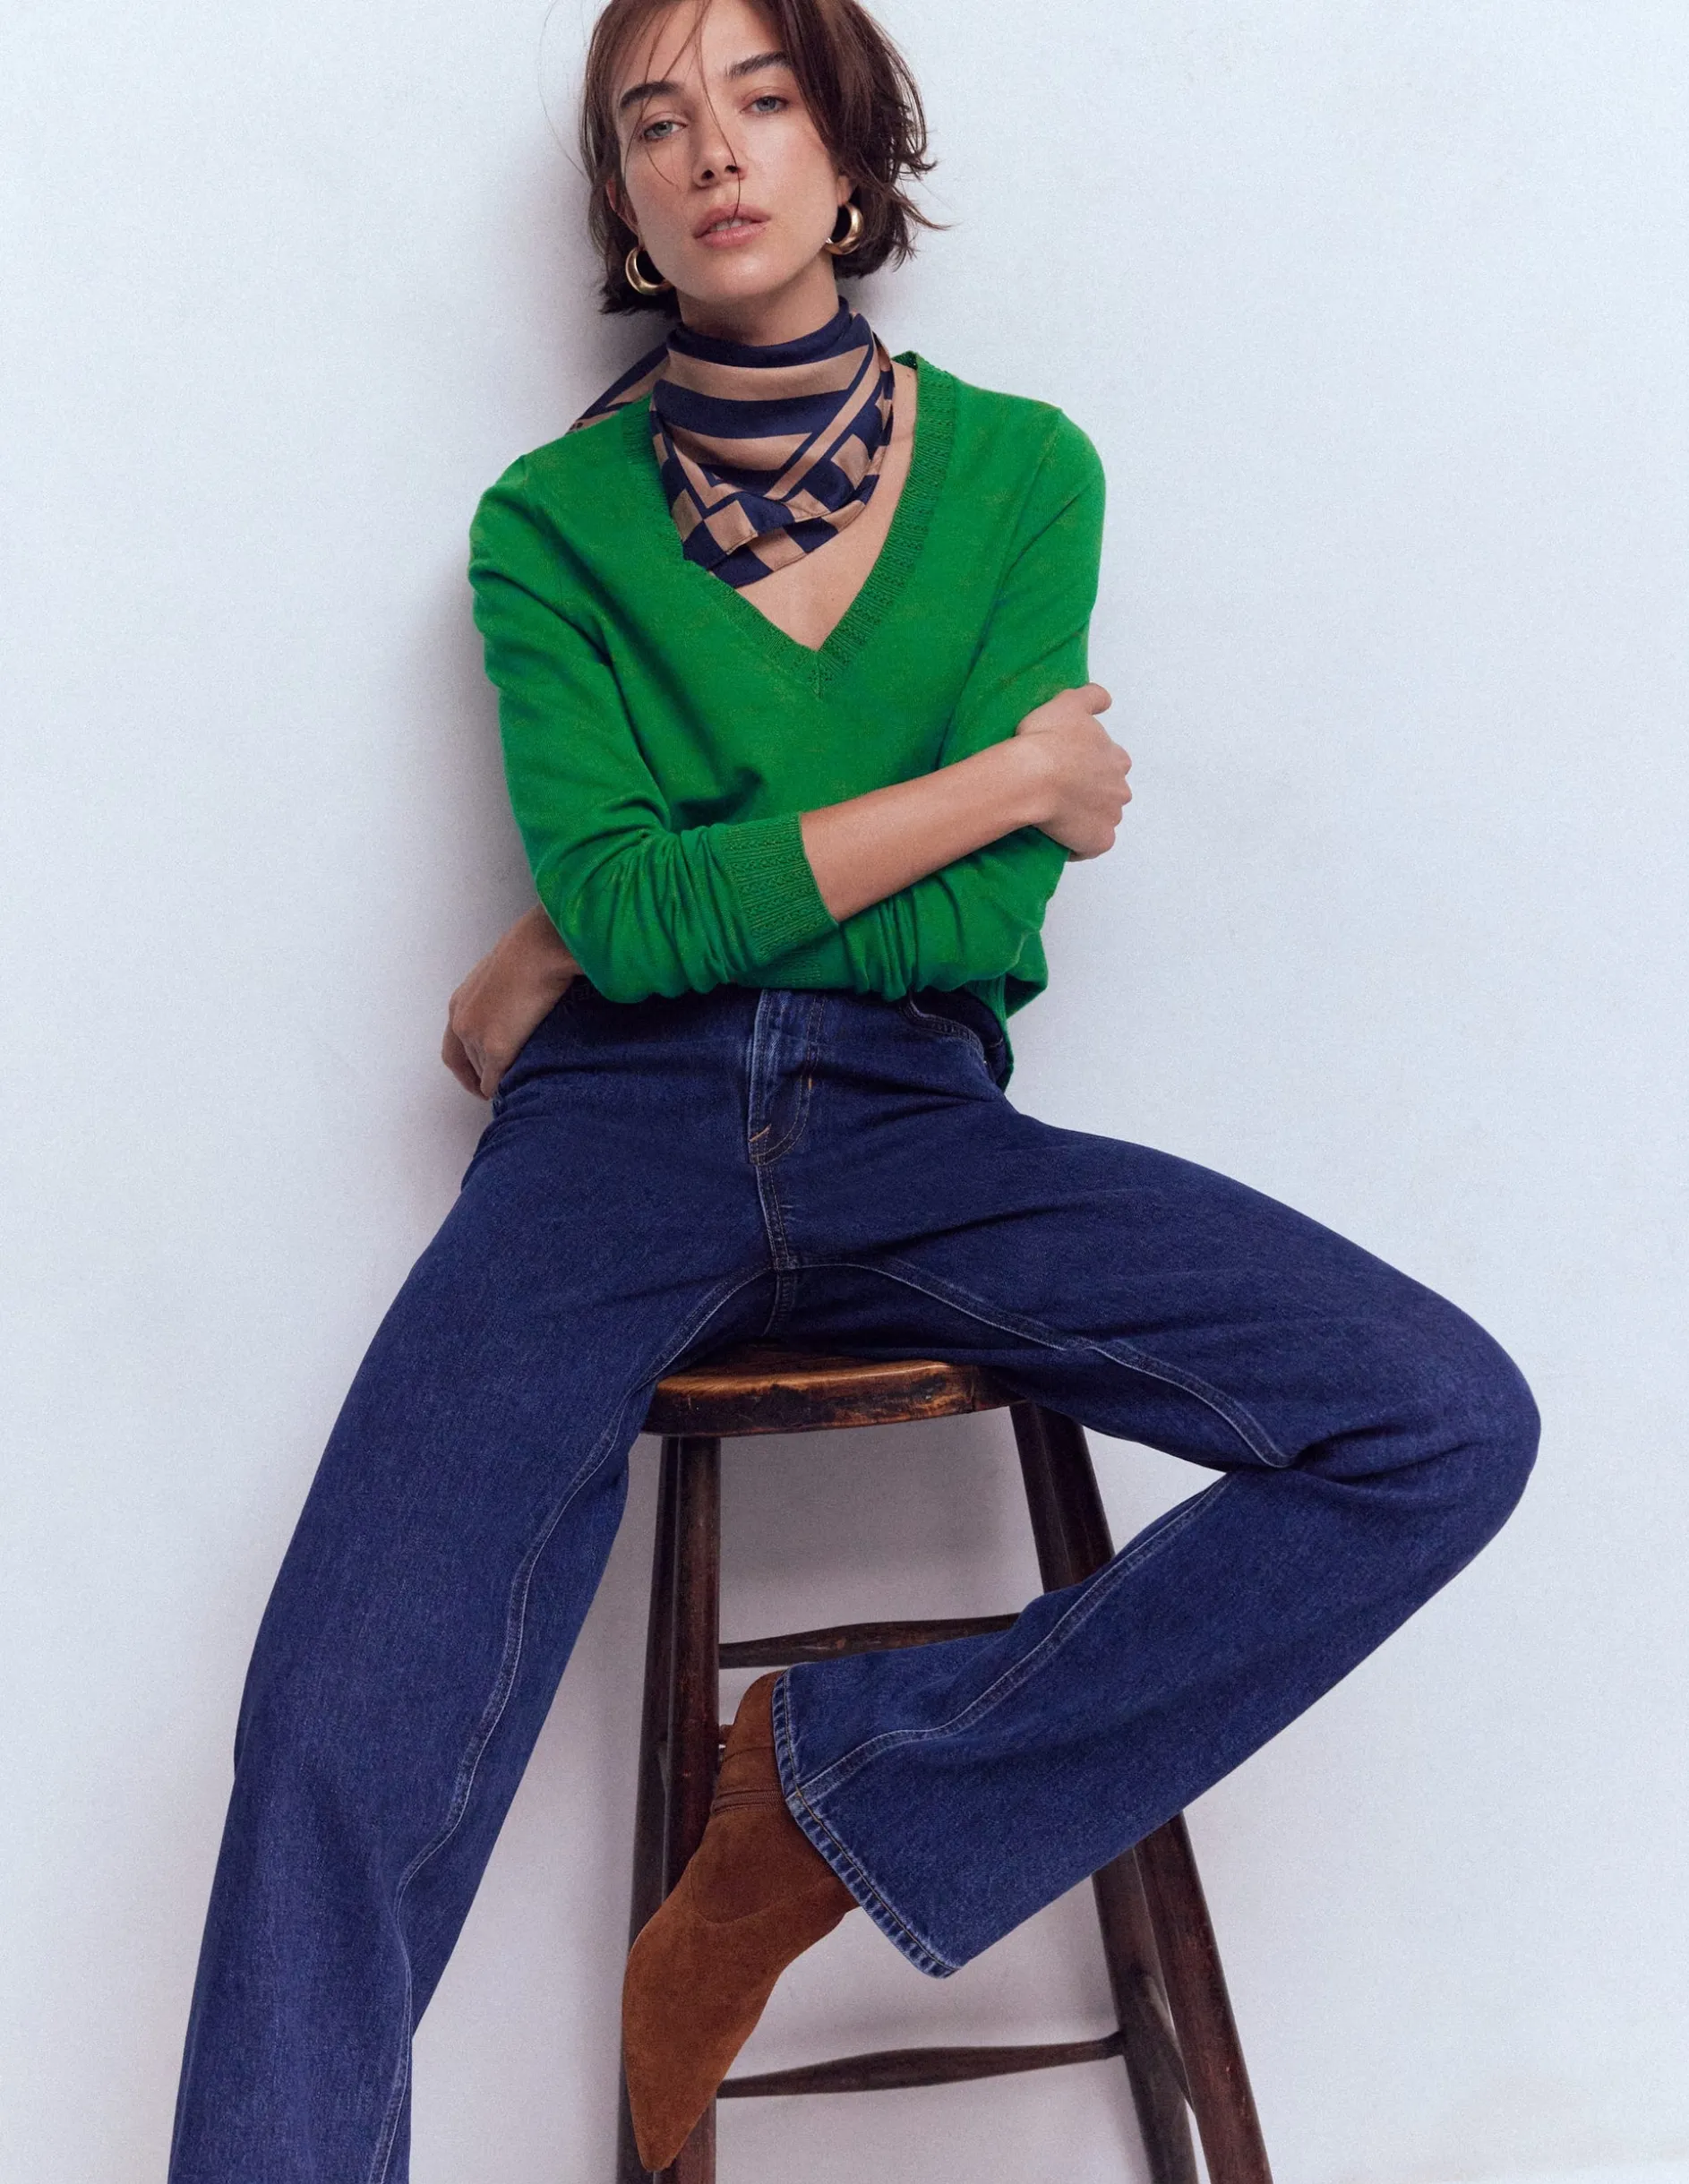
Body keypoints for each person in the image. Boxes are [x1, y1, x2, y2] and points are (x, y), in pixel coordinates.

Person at [166, 0, 1540, 2176]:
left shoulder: (1022, 471)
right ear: (621, 204)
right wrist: (988, 782)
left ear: (850, 147)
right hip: (607, 1146)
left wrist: (622, 914)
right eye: (654, 121)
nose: (712, 149)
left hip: (916, 1122)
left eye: (763, 95)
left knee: (1438, 1420)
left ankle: (843, 1787)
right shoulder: (546, 528)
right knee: (336, 1730)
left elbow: (949, 928)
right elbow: (651, 919)